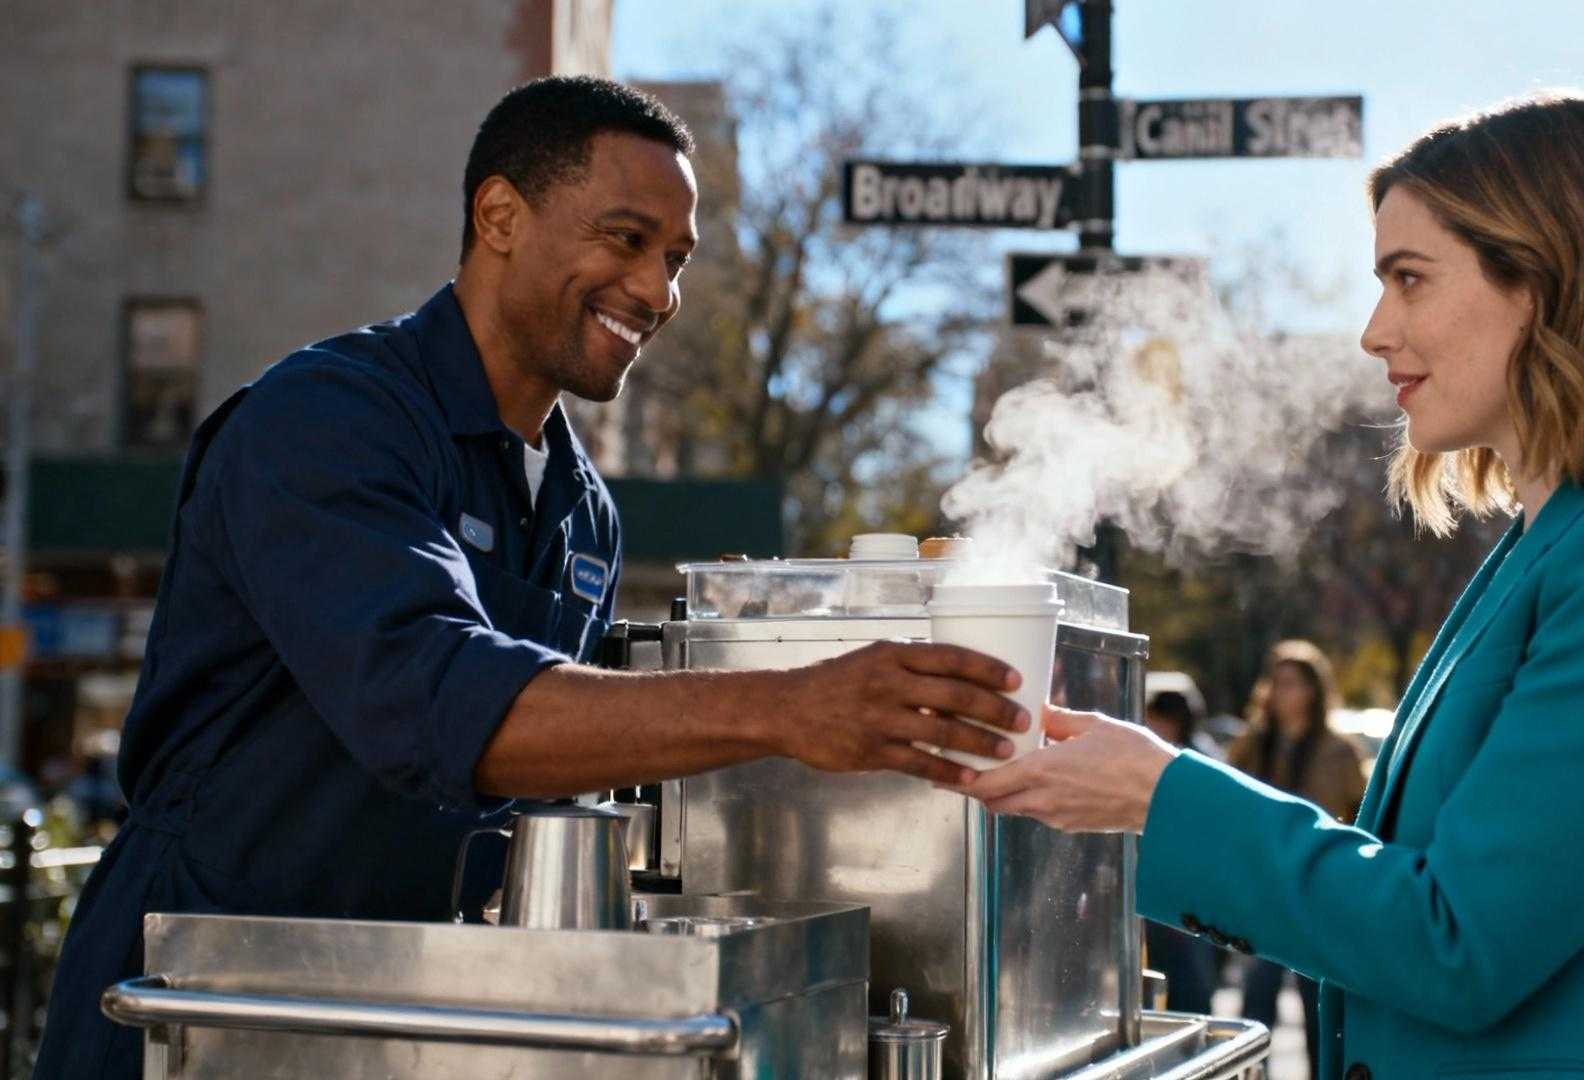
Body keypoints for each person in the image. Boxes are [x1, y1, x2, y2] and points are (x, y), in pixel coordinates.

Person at [37, 76, 1028, 1080]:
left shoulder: (585, 510)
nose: (657, 291)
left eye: (676, 260)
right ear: (500, 216)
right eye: (627, 239)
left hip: (406, 1012)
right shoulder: (327, 420)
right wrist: (789, 705)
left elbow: (558, 755)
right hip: (197, 1006)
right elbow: (439, 704)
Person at [956, 91, 1584, 1079]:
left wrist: (1160, 797)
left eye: (1410, 280)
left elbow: (1458, 944)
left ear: (1553, 280)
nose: (1374, 330)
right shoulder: (1563, 538)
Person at [1223, 641, 1365, 1069]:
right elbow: (1229, 805)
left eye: (1294, 684)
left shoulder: (1338, 750)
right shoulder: (1252, 745)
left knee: (1318, 1010)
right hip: (1263, 892)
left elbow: (1362, 817)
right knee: (1256, 1007)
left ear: (1314, 691)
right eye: (1277, 682)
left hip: (1317, 894)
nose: (1283, 692)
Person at [1140, 687, 1223, 1015]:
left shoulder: (1180, 763)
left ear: (1170, 721)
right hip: (1189, 891)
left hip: (1182, 891)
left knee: (1185, 983)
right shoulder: (1206, 755)